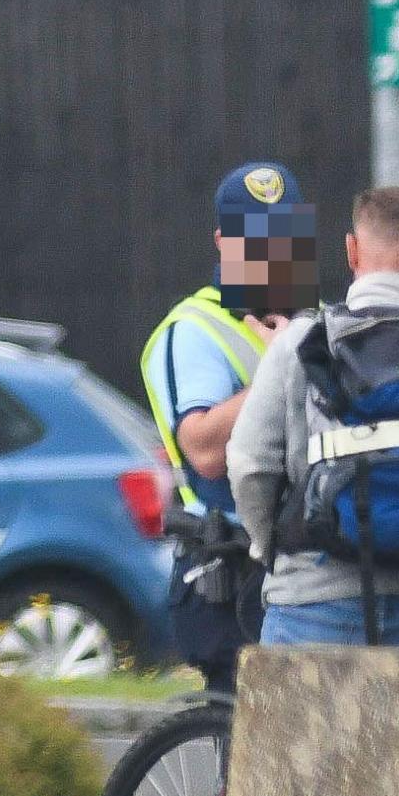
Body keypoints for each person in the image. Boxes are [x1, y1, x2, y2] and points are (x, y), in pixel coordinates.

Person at [140, 163, 310, 688]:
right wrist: (278, 362)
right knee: (241, 753)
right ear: (222, 240)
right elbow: (204, 449)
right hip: (228, 571)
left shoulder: (315, 319)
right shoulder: (194, 329)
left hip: (306, 569)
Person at [228, 186, 399, 646]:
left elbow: (251, 463)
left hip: (313, 600)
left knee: (296, 721)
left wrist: (271, 549)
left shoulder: (303, 341)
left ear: (352, 249)